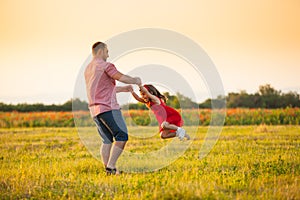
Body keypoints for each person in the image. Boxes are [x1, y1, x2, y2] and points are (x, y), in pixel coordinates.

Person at [84, 41, 141, 175]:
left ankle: (109, 169)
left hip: (95, 110)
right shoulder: (106, 66)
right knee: (122, 136)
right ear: (100, 51)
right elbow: (119, 76)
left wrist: (123, 89)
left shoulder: (88, 69)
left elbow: (102, 89)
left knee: (107, 140)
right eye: (107, 52)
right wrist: (134, 80)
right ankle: (111, 167)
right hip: (108, 108)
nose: (108, 55)